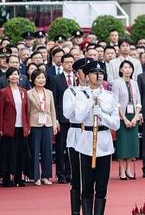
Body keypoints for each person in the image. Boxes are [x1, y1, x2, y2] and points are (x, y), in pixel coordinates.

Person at [75, 60, 120, 215]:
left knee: (101, 186)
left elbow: (116, 124)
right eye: (95, 73)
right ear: (87, 76)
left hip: (104, 142)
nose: (99, 76)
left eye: (101, 73)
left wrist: (101, 116)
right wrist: (90, 101)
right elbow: (79, 115)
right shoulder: (82, 94)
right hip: (87, 141)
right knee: (87, 186)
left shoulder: (110, 96)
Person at [64, 58, 89, 215]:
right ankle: (75, 210)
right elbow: (67, 113)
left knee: (90, 175)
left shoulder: (99, 92)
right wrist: (81, 97)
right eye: (84, 71)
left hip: (92, 134)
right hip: (76, 134)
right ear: (77, 73)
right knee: (77, 175)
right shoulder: (71, 91)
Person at [0, 67, 30, 186]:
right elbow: (1, 111)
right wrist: (1, 128)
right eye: (12, 75)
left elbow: (26, 111)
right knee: (8, 153)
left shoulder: (23, 91)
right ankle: (7, 178)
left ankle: (18, 177)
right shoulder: (3, 92)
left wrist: (27, 127)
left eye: (16, 74)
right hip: (9, 127)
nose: (14, 77)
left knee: (20, 153)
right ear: (7, 77)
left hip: (21, 127)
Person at [112, 60, 142, 180]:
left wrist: (135, 117)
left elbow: (138, 101)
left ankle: (129, 169)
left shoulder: (134, 83)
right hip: (122, 117)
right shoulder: (116, 83)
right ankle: (122, 169)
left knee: (132, 144)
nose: (128, 70)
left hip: (133, 116)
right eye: (125, 67)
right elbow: (116, 103)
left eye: (130, 67)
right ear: (120, 70)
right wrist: (124, 119)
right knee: (122, 143)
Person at [27, 69, 58, 185]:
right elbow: (28, 111)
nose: (41, 80)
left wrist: (54, 124)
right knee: (35, 151)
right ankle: (36, 177)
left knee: (47, 151)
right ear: (33, 80)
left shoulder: (49, 93)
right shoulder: (29, 93)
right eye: (38, 78)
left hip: (47, 123)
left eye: (43, 78)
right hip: (34, 123)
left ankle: (46, 176)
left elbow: (52, 110)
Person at [51, 53, 76, 184]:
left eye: (71, 62)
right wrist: (55, 119)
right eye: (67, 62)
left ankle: (70, 173)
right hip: (62, 118)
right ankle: (60, 174)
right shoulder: (56, 79)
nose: (69, 64)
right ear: (62, 63)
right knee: (61, 147)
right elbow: (53, 101)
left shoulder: (78, 78)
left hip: (76, 119)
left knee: (73, 147)